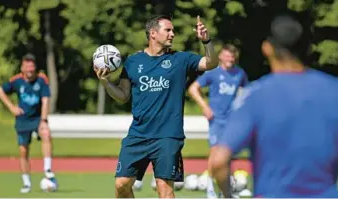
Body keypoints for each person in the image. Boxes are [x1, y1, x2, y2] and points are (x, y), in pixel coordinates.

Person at [210, 14, 338, 198]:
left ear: (267, 48)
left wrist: (228, 195)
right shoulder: (333, 89)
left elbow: (219, 160)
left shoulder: (255, 95)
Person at [93, 15, 218, 198]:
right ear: (153, 33)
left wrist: (206, 41)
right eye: (168, 30)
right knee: (121, 185)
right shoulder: (133, 62)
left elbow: (211, 63)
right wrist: (105, 83)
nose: (172, 34)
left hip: (168, 135)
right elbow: (123, 96)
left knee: (164, 190)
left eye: (172, 30)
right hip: (138, 134)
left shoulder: (181, 59)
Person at [188, 44, 248, 198]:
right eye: (227, 56)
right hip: (217, 120)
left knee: (227, 154)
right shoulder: (213, 73)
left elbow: (245, 92)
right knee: (215, 153)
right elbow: (193, 89)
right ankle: (210, 188)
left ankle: (225, 191)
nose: (230, 59)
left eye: (232, 56)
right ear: (221, 56)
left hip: (232, 120)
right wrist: (204, 107)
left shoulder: (240, 73)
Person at [0, 53, 55, 193]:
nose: (30, 70)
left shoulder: (41, 79)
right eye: (27, 67)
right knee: (23, 151)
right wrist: (11, 107)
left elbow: (46, 100)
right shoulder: (17, 80)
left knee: (46, 133)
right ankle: (26, 183)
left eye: (32, 67)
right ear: (22, 68)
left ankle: (47, 169)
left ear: (35, 68)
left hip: (37, 119)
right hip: (22, 120)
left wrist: (44, 120)